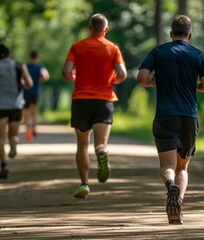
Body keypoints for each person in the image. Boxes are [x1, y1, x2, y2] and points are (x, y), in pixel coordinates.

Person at [136, 15, 204, 224]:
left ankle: (170, 186)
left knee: (167, 166)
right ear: (190, 34)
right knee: (182, 168)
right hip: (189, 116)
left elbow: (142, 78)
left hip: (165, 115)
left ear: (171, 34)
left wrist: (154, 83)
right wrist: (193, 86)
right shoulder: (197, 54)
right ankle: (176, 206)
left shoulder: (159, 52)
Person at [61, 13, 127, 198]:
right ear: (106, 29)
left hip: (81, 101)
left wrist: (73, 77)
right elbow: (122, 74)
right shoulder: (113, 48)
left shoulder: (77, 46)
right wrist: (111, 79)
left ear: (90, 28)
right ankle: (102, 152)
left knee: (82, 145)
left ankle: (84, 184)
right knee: (100, 143)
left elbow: (66, 71)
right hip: (103, 101)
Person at [0, 45, 34, 179]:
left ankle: (4, 165)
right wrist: (20, 83)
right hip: (16, 105)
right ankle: (14, 144)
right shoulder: (19, 65)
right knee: (13, 134)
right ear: (9, 54)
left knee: (0, 138)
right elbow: (30, 83)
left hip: (0, 106)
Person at [23, 50, 51, 142]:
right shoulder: (40, 67)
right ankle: (34, 126)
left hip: (26, 92)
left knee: (26, 112)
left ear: (30, 57)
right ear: (37, 57)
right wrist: (41, 79)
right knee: (34, 111)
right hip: (35, 92)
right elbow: (46, 75)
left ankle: (28, 128)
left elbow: (21, 78)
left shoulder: (26, 66)